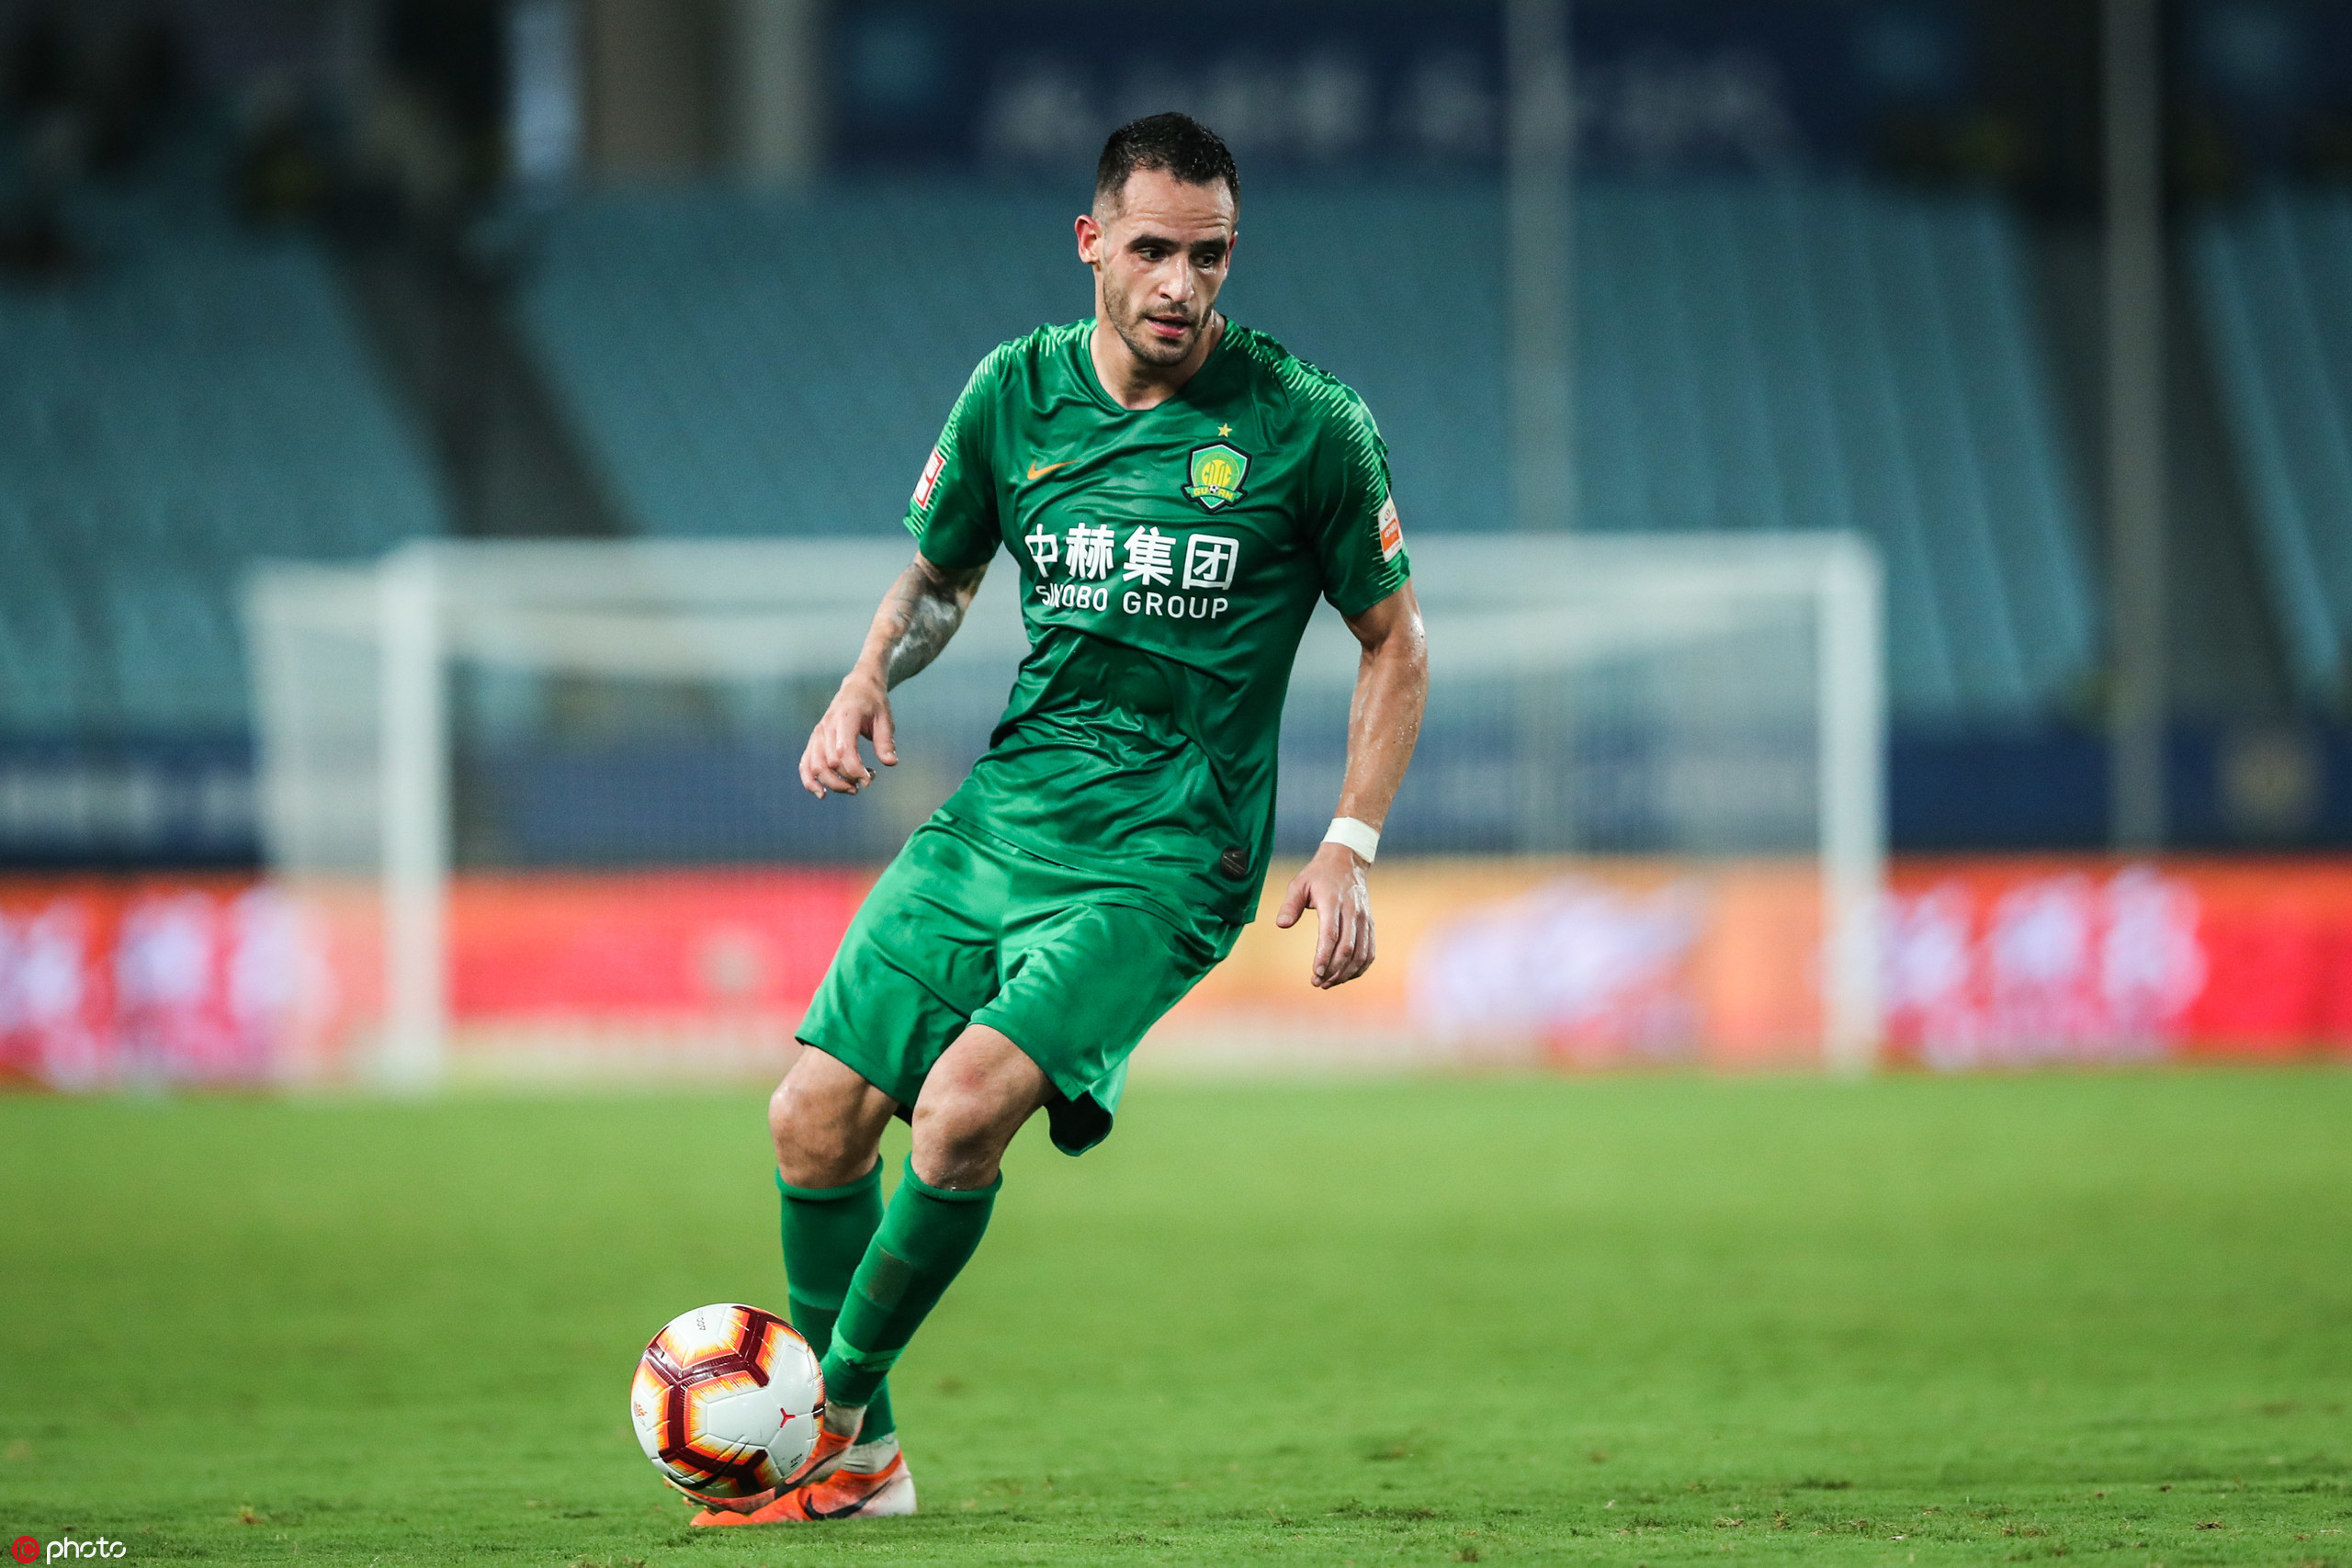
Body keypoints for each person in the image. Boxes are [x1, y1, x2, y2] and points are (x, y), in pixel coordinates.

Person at [693, 111, 1428, 1526]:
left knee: (962, 1112)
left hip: (1170, 855)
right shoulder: (1013, 394)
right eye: (1152, 250)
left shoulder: (1307, 426)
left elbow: (1394, 640)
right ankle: (866, 1466)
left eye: (1210, 256)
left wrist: (1350, 842)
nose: (1181, 285)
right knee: (811, 1119)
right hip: (1006, 814)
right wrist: (865, 676)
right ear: (1091, 243)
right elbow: (940, 578)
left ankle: (821, 1416)